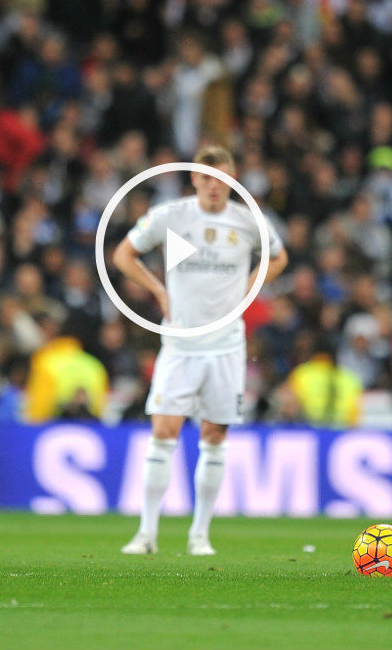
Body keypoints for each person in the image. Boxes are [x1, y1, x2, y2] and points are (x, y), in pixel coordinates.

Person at [114, 145, 288, 556]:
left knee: (214, 435)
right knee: (163, 432)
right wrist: (157, 290)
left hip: (227, 346)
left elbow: (278, 258)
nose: (215, 186)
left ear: (233, 179)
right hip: (180, 343)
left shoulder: (249, 222)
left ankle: (199, 535)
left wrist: (250, 287)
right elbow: (123, 254)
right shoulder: (170, 216)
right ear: (194, 179)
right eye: (207, 178)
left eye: (223, 178)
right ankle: (147, 533)